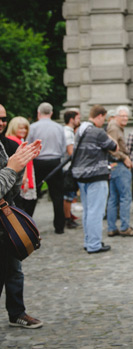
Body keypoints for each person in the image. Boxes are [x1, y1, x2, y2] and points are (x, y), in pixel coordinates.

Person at [1, 135, 43, 329]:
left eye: (3, 118)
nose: (1, 122)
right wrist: (11, 168)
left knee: (15, 270)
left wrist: (19, 168)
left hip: (5, 223)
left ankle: (17, 313)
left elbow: (11, 190)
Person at [72, 105, 118, 253]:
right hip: (96, 175)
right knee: (96, 212)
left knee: (87, 211)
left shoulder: (80, 130)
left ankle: (88, 241)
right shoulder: (98, 132)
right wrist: (107, 133)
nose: (103, 121)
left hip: (81, 175)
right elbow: (114, 147)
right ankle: (94, 244)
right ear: (99, 116)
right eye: (103, 118)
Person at [27, 102, 66, 234]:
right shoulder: (59, 127)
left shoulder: (33, 127)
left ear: (38, 113)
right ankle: (59, 226)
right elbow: (63, 146)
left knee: (33, 194)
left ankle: (27, 224)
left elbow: (29, 145)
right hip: (55, 162)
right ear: (51, 113)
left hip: (38, 162)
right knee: (57, 195)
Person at [106, 106, 133, 237]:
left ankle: (111, 227)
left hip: (115, 165)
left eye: (127, 116)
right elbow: (112, 148)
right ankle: (125, 227)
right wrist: (125, 157)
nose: (125, 118)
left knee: (113, 198)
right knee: (125, 197)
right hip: (119, 165)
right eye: (123, 116)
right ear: (116, 117)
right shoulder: (114, 128)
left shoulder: (114, 127)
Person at [5, 117, 38, 216]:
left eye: (25, 128)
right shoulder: (14, 142)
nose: (24, 131)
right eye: (20, 128)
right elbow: (20, 163)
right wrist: (25, 180)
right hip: (21, 180)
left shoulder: (16, 140)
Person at [62, 109, 81, 228]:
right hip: (67, 168)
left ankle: (68, 215)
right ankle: (67, 218)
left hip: (67, 168)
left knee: (69, 195)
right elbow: (71, 152)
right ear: (71, 119)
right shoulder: (68, 132)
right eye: (78, 118)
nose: (79, 121)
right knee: (68, 196)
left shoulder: (67, 131)